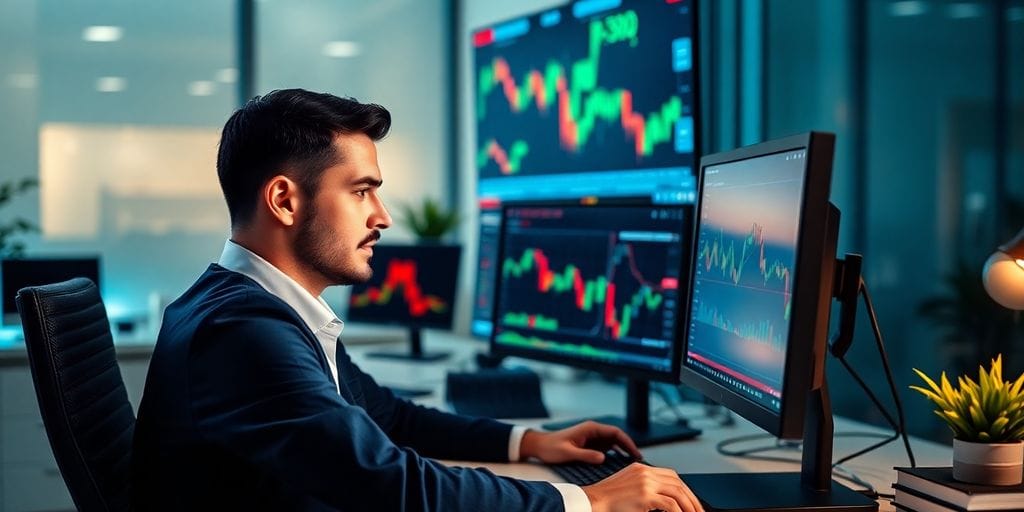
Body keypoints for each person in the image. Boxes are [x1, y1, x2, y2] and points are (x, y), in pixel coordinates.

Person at [131, 88, 703, 512]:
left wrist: (529, 440)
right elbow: (386, 482)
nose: (382, 218)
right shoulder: (243, 331)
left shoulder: (263, 309)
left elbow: (387, 418)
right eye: (361, 192)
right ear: (284, 200)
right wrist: (588, 504)